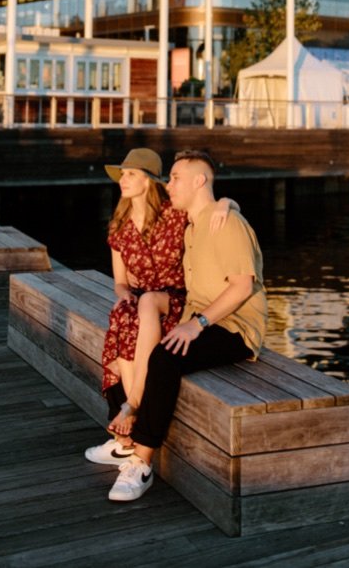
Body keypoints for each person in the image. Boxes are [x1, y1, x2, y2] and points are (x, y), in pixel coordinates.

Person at [105, 149, 267, 503]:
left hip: (235, 327)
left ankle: (142, 461)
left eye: (176, 177)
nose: (170, 184)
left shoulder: (226, 223)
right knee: (137, 345)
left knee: (165, 358)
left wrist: (199, 323)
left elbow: (241, 287)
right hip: (199, 319)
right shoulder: (193, 227)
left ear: (199, 181)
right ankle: (125, 436)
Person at [84, 147, 232, 468]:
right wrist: (124, 294)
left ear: (149, 181)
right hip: (141, 302)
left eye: (131, 174)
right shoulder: (119, 227)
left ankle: (129, 415)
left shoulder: (174, 214)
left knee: (137, 315)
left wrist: (227, 203)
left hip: (175, 300)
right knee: (125, 314)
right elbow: (120, 282)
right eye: (122, 174)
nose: (123, 180)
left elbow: (209, 205)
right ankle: (126, 430)